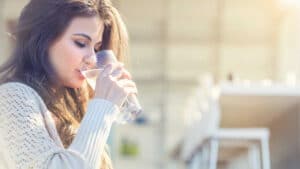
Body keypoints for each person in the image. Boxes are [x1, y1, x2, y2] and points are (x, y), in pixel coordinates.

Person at [0, 0, 138, 169]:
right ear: (43, 39)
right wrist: (103, 105)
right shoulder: (12, 96)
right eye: (81, 43)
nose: (92, 59)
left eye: (96, 48)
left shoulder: (72, 106)